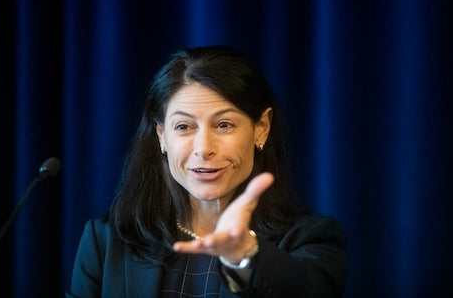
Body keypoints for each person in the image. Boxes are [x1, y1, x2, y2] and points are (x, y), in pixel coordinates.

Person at [66, 45, 346, 298]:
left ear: (262, 128)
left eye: (224, 125)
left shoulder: (311, 239)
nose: (203, 149)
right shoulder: (105, 242)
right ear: (162, 136)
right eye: (183, 127)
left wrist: (245, 255)